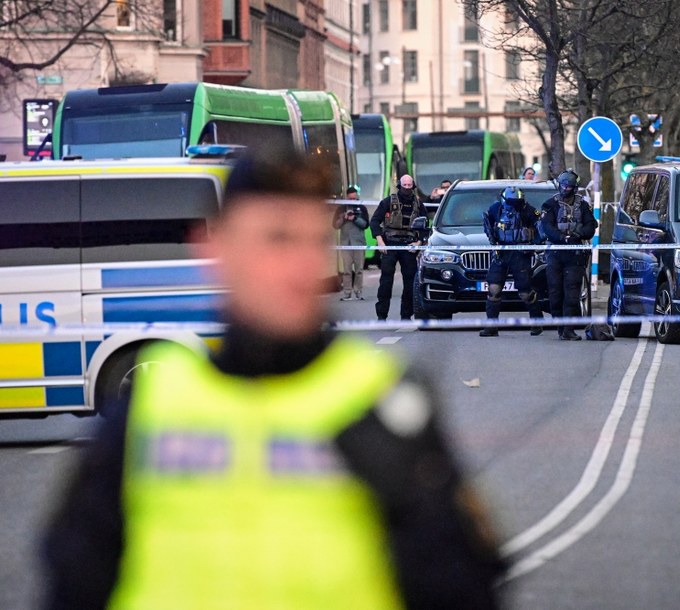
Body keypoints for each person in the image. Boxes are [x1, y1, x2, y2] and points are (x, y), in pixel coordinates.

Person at [42, 149, 504, 610]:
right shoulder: (152, 408)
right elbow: (75, 581)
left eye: (314, 240)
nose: (304, 266)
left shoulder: (381, 402)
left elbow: (465, 590)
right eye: (278, 239)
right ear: (215, 248)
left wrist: (416, 503)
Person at [540, 169, 597, 341]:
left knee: (572, 293)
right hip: (555, 253)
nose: (566, 189)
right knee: (555, 292)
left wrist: (577, 235)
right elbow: (547, 227)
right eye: (564, 185)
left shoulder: (583, 205)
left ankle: (569, 328)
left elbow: (591, 226)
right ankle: (559, 325)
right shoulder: (550, 205)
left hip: (575, 254)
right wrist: (562, 238)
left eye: (569, 186)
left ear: (575, 187)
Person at [479, 186, 544, 337]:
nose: (514, 205)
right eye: (511, 202)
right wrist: (493, 241)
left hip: (520, 254)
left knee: (525, 293)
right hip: (501, 252)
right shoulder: (496, 209)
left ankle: (537, 321)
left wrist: (533, 245)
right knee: (494, 289)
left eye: (517, 202)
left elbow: (541, 228)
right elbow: (487, 224)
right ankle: (491, 327)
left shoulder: (528, 210)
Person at [370, 174, 429, 321]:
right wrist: (380, 241)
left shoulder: (418, 203)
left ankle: (406, 316)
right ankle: (382, 316)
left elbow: (425, 225)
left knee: (410, 282)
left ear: (413, 186)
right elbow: (374, 221)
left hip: (409, 245)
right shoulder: (388, 202)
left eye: (410, 186)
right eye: (405, 186)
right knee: (386, 282)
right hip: (390, 243)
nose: (407, 189)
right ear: (400, 186)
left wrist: (419, 243)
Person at [333, 185, 369, 300]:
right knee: (347, 270)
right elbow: (335, 225)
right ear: (346, 198)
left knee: (359, 269)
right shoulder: (341, 208)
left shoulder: (362, 208)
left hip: (358, 243)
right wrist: (343, 218)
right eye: (350, 199)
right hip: (346, 243)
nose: (353, 201)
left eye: (355, 199)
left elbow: (365, 225)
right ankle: (347, 292)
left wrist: (354, 218)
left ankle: (358, 291)